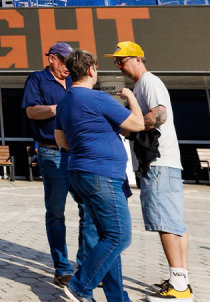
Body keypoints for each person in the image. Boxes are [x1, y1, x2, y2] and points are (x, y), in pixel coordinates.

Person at [55, 49, 144, 302]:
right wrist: (129, 96)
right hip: (102, 175)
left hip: (80, 173)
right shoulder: (97, 98)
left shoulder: (65, 101)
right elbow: (137, 125)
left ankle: (117, 298)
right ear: (92, 70)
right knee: (119, 236)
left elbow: (62, 141)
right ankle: (79, 287)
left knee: (107, 237)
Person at [109, 42, 191, 301]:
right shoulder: (144, 84)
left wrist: (132, 122)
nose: (119, 66)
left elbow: (160, 115)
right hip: (165, 161)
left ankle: (179, 286)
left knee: (165, 222)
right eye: (117, 62)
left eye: (121, 60)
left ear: (136, 59)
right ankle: (181, 279)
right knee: (175, 222)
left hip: (157, 162)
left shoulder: (147, 82)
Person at [21, 41, 76, 287]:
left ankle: (86, 266)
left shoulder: (76, 80)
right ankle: (62, 268)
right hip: (52, 153)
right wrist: (58, 108)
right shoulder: (37, 79)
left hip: (80, 154)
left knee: (89, 211)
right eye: (64, 61)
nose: (68, 67)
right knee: (56, 213)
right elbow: (32, 112)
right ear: (52, 58)